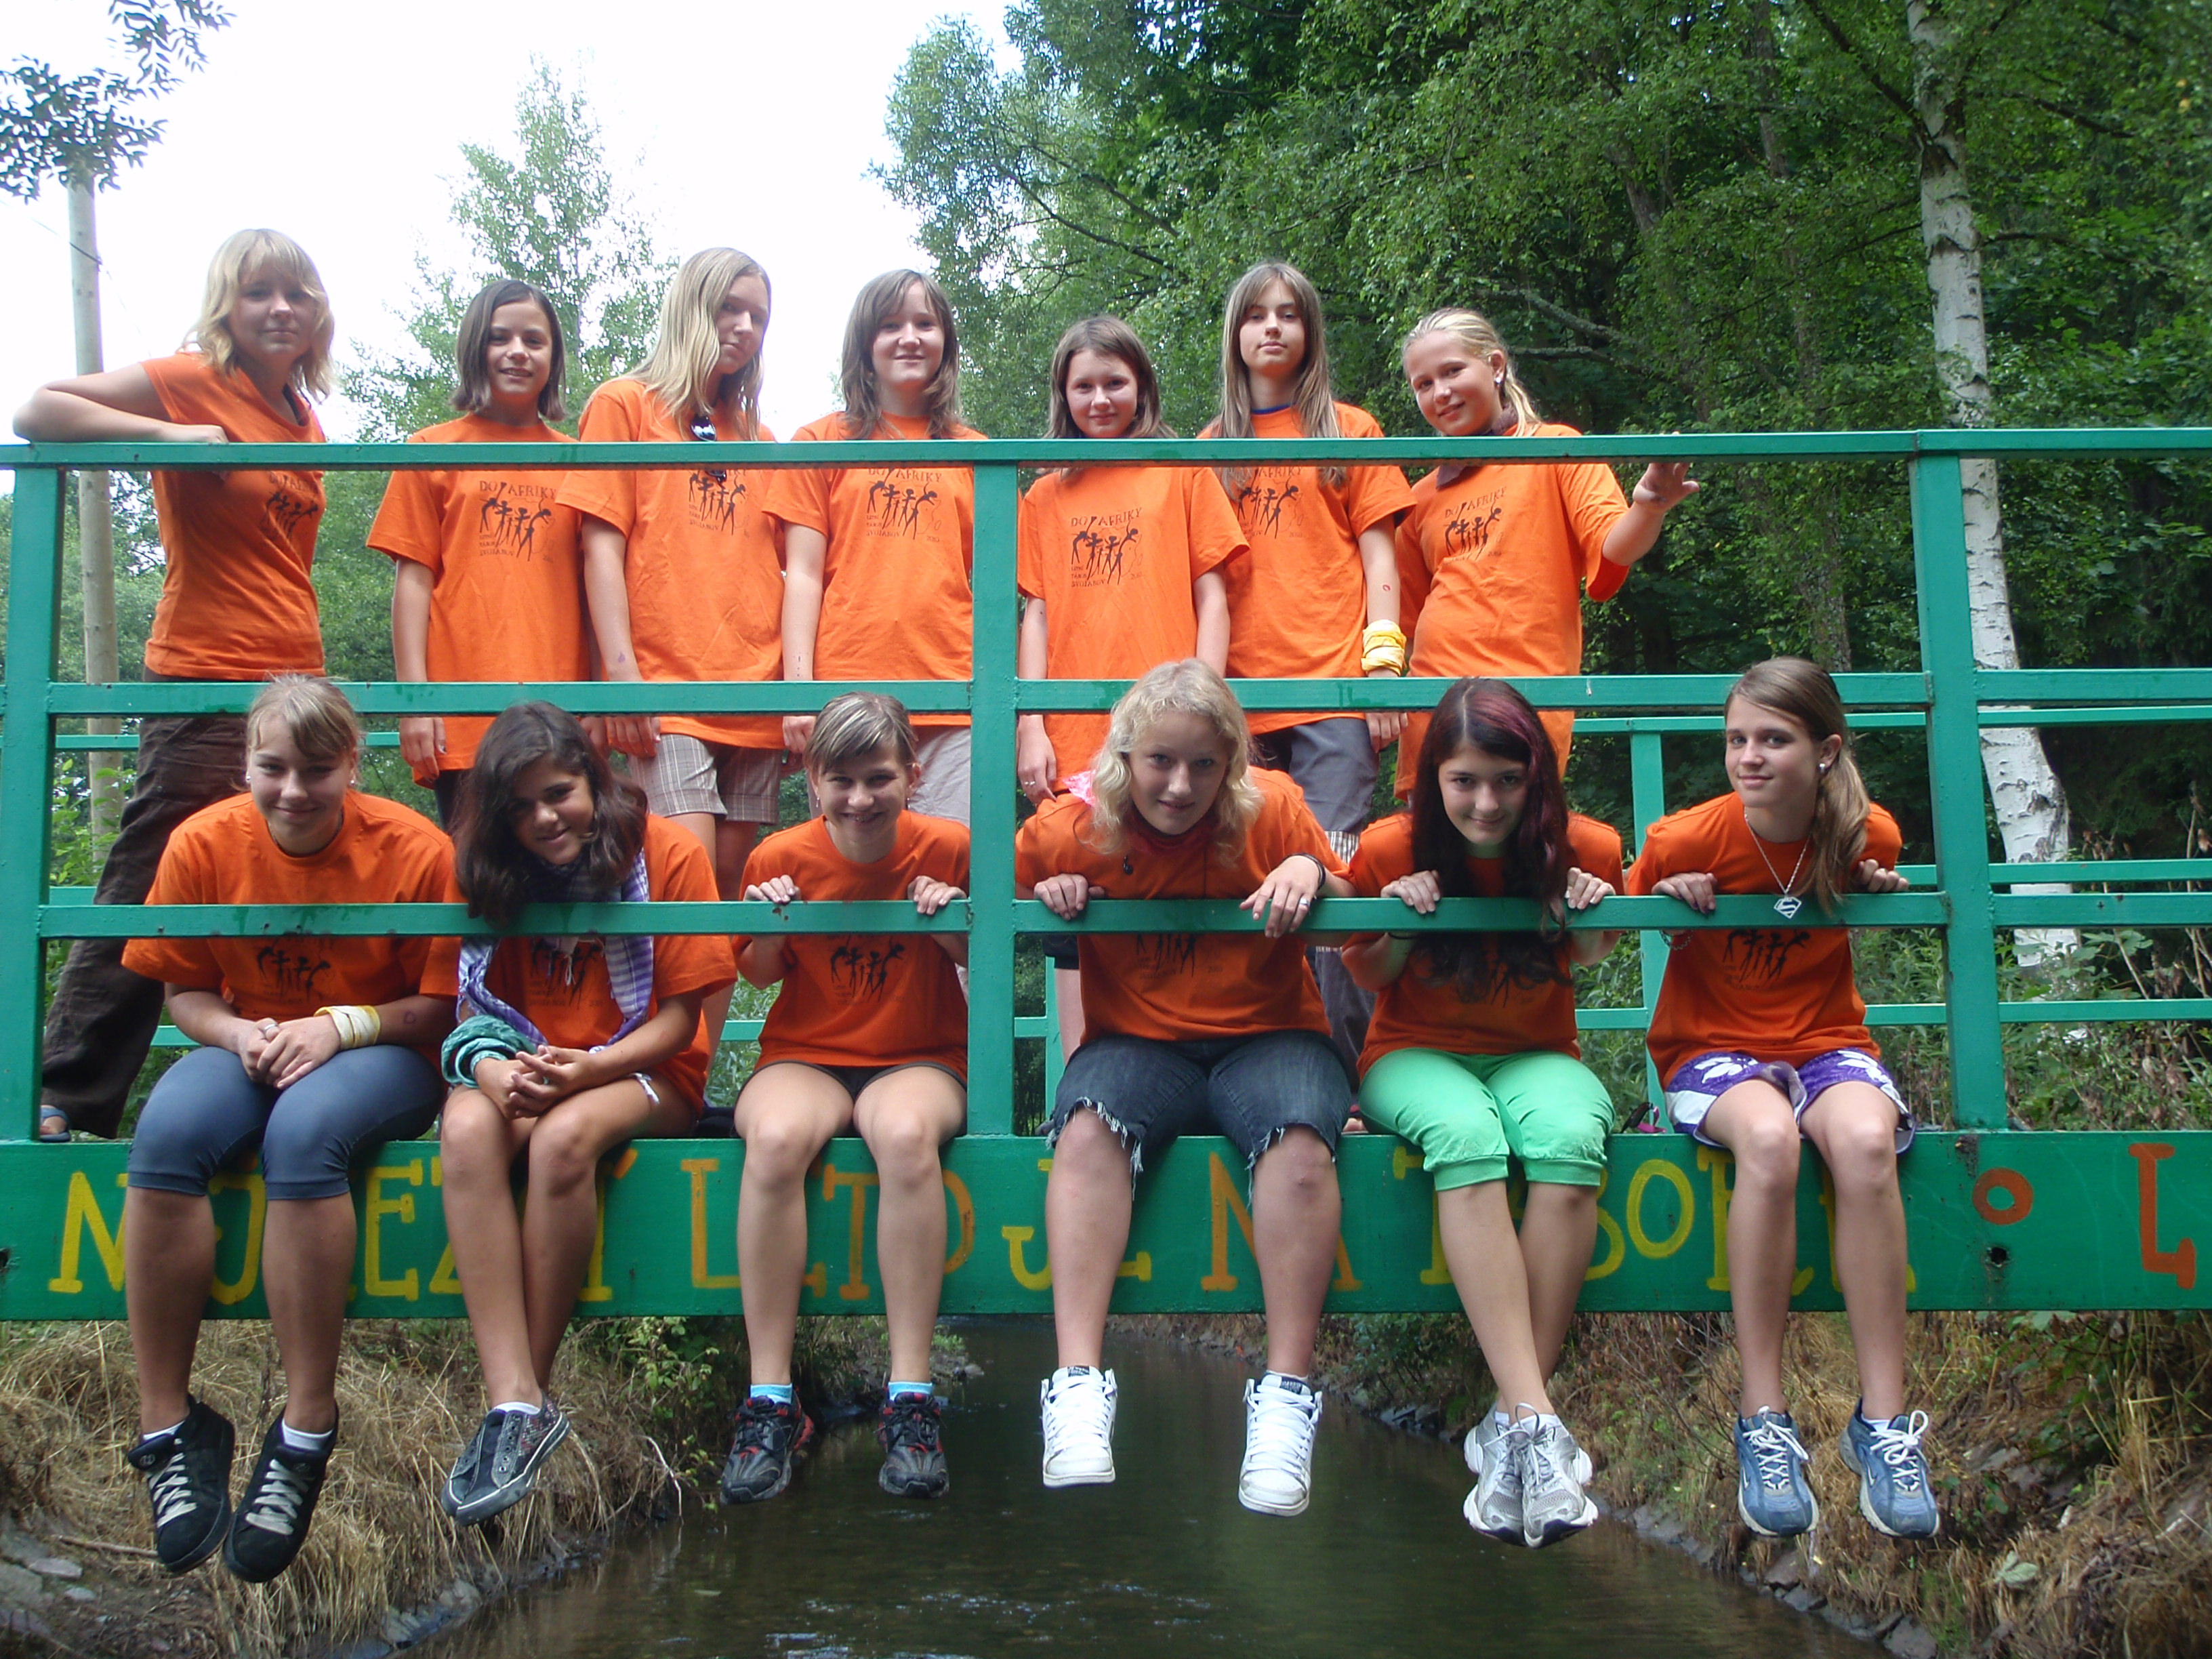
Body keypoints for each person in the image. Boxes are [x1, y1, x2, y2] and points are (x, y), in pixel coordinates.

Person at [117, 678, 453, 1580]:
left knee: (302, 1135)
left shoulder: (414, 850)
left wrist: (339, 1027)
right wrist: (240, 1034)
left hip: (382, 1047)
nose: (293, 791)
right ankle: (168, 1427)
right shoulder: (202, 843)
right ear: (247, 765)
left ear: (352, 765)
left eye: (316, 771)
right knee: (166, 1133)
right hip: (252, 1040)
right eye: (273, 769)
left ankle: (305, 1429)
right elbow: (184, 990)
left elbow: (440, 1005)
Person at [14, 229, 335, 1141]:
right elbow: (37, 410)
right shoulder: (192, 379)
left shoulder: (304, 419)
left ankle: (274, 1084)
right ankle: (65, 1095)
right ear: (227, 307)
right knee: (153, 880)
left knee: (277, 876)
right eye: (259, 292)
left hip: (292, 672)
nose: (280, 309)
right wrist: (167, 436)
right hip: (204, 670)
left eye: (296, 293)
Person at [1017, 660, 1354, 1517]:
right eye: (1160, 762)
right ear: (1125, 759)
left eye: (1204, 765)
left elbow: (1350, 897)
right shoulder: (1074, 827)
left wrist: (1311, 875)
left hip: (1269, 1035)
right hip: (1138, 1042)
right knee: (1086, 1128)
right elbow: (1005, 888)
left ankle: (1285, 1394)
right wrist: (1051, 890)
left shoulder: (1271, 808)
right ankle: (1077, 1382)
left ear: (1231, 764)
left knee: (1301, 1145)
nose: (1180, 785)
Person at [1625, 657, 1935, 1541]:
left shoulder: (1865, 834)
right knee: (1767, 1140)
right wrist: (1668, 897)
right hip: (1711, 1049)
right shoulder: (1688, 837)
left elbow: (1873, 867)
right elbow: (1616, 916)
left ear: (1825, 751)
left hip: (1827, 1042)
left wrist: (1870, 886)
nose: (1749, 757)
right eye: (1737, 740)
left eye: (1773, 740)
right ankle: (1763, 1417)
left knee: (1867, 1144)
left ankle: (1883, 1426)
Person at [426, 702, 735, 1525]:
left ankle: (530, 1396)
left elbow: (682, 1023)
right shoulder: (481, 865)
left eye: (559, 794)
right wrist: (491, 1071)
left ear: (594, 781)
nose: (543, 819)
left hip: (643, 1068)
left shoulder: (665, 852)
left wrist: (589, 1069)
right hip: (524, 1061)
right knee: (464, 1127)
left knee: (564, 1140)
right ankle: (511, 1398)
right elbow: (465, 1007)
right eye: (520, 806)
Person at [1339, 678, 1620, 1548]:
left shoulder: (1588, 846)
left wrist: (1587, 910)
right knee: (1468, 1136)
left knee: (1572, 1137)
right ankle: (1536, 1419)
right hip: (1413, 1054)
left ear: (1537, 777)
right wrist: (1401, 918)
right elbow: (1366, 974)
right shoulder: (1389, 846)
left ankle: (1511, 1423)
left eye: (1507, 780)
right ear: (1432, 780)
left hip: (1539, 1053)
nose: (1487, 803)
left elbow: (1592, 954)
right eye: (1464, 781)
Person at [720, 693, 970, 1504]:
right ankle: (770, 1400)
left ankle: (910, 1397)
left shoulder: (950, 846)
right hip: (807, 1052)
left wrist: (949, 915)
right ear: (813, 781)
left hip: (918, 1053)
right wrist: (769, 919)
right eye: (842, 781)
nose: (861, 799)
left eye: (879, 779)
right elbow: (758, 973)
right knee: (775, 1138)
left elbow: (986, 955)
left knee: (904, 1136)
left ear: (912, 776)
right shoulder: (780, 855)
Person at [1017, 315, 1245, 1054]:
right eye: (1083, 386)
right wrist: (1030, 722)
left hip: (1171, 728)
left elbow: (1213, 596)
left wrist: (1210, 702)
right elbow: (1036, 612)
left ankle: (1189, 1065)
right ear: (1063, 395)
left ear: (1141, 385)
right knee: (1075, 890)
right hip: (1077, 728)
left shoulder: (1182, 472)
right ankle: (1082, 1078)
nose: (1100, 399)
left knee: (1184, 875)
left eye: (1114, 382)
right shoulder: (1044, 493)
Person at [560, 249, 785, 895]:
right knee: (688, 885)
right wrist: (620, 679)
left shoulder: (761, 441)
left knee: (728, 897)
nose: (744, 327)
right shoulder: (625, 405)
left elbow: (781, 569)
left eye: (758, 317)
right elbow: (600, 548)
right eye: (728, 309)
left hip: (756, 692)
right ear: (692, 307)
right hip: (665, 692)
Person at [1395, 306, 1698, 783]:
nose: (1441, 392)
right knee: (1431, 832)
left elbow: (1614, 547)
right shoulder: (1419, 498)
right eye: (1424, 384)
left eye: (1453, 371)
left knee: (1518, 823)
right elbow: (1399, 623)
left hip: (1527, 703)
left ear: (1496, 366)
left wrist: (1650, 506)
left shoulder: (1556, 448)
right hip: (1435, 706)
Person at [1206, 262, 1414, 854]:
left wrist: (1383, 666)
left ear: (1310, 331)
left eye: (1288, 315)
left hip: (1336, 690)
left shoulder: (1351, 430)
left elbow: (1381, 559)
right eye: (1256, 316)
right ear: (1236, 335)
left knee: (1328, 858)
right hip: (1239, 697)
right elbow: (1200, 582)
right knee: (1245, 862)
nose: (1272, 327)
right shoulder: (1209, 449)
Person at [765, 270, 983, 823]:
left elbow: (996, 591)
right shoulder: (819, 441)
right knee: (851, 864)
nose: (909, 338)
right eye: (890, 326)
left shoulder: (977, 452)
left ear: (945, 341)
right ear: (866, 342)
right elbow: (802, 575)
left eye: (925, 324)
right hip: (846, 698)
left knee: (953, 862)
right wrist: (798, 694)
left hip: (953, 698)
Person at [372, 279, 588, 825]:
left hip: (560, 716)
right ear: (475, 348)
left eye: (534, 341)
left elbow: (597, 593)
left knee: (562, 863)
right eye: (499, 338)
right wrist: (413, 703)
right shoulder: (430, 450)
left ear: (553, 357)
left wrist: (603, 703)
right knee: (474, 865)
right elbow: (413, 583)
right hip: (463, 717)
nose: (518, 352)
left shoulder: (583, 461)